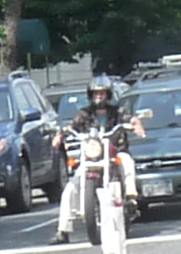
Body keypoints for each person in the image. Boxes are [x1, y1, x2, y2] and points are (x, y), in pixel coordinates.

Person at [51, 75, 138, 244]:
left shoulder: (117, 112)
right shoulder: (84, 113)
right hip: (92, 156)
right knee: (71, 187)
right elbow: (72, 126)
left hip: (115, 153)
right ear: (91, 95)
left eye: (103, 93)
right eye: (96, 93)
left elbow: (129, 119)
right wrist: (61, 135)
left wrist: (136, 123)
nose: (99, 96)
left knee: (127, 162)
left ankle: (131, 196)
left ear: (108, 94)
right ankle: (63, 230)